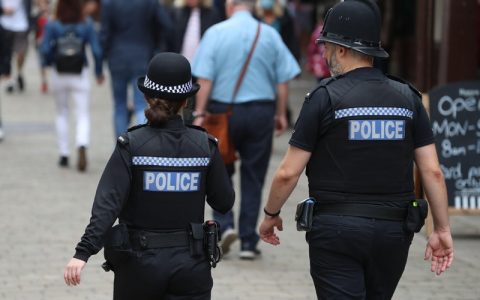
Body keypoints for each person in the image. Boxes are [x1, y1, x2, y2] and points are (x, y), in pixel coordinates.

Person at [259, 0, 454, 299]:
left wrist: (271, 213)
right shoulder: (408, 98)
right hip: (393, 231)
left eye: (326, 46)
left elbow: (288, 173)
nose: (323, 54)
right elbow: (432, 171)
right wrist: (441, 228)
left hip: (335, 231)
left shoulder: (323, 98)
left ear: (341, 49)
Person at [64, 52, 235, 300]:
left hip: (138, 266)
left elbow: (107, 205)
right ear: (186, 100)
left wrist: (83, 253)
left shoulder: (132, 145)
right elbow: (224, 202)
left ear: (146, 96)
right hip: (191, 265)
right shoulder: (204, 146)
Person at [192, 0, 300, 259]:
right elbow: (283, 79)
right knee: (254, 175)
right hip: (260, 112)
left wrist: (199, 113)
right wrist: (280, 113)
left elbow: (204, 78)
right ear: (253, 7)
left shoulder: (215, 33)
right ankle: (249, 242)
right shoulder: (270, 34)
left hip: (221, 113)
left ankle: (224, 224)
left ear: (230, 6)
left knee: (219, 171)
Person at [40, 0, 104, 171]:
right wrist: (99, 72)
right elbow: (97, 50)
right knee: (82, 113)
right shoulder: (86, 24)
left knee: (62, 112)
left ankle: (64, 154)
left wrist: (48, 63)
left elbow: (45, 49)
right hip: (79, 73)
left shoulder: (53, 24)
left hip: (59, 72)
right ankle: (82, 143)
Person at [100, 0, 173, 139]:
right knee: (140, 104)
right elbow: (166, 25)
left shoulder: (109, 3)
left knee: (119, 105)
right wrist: (159, 48)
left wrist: (102, 60)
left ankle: (121, 146)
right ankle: (143, 143)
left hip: (117, 58)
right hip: (143, 56)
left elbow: (104, 33)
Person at [0, 0, 31, 93]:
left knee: (20, 53)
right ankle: (9, 79)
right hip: (4, 24)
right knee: (6, 55)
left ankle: (19, 73)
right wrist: (2, 10)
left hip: (21, 25)